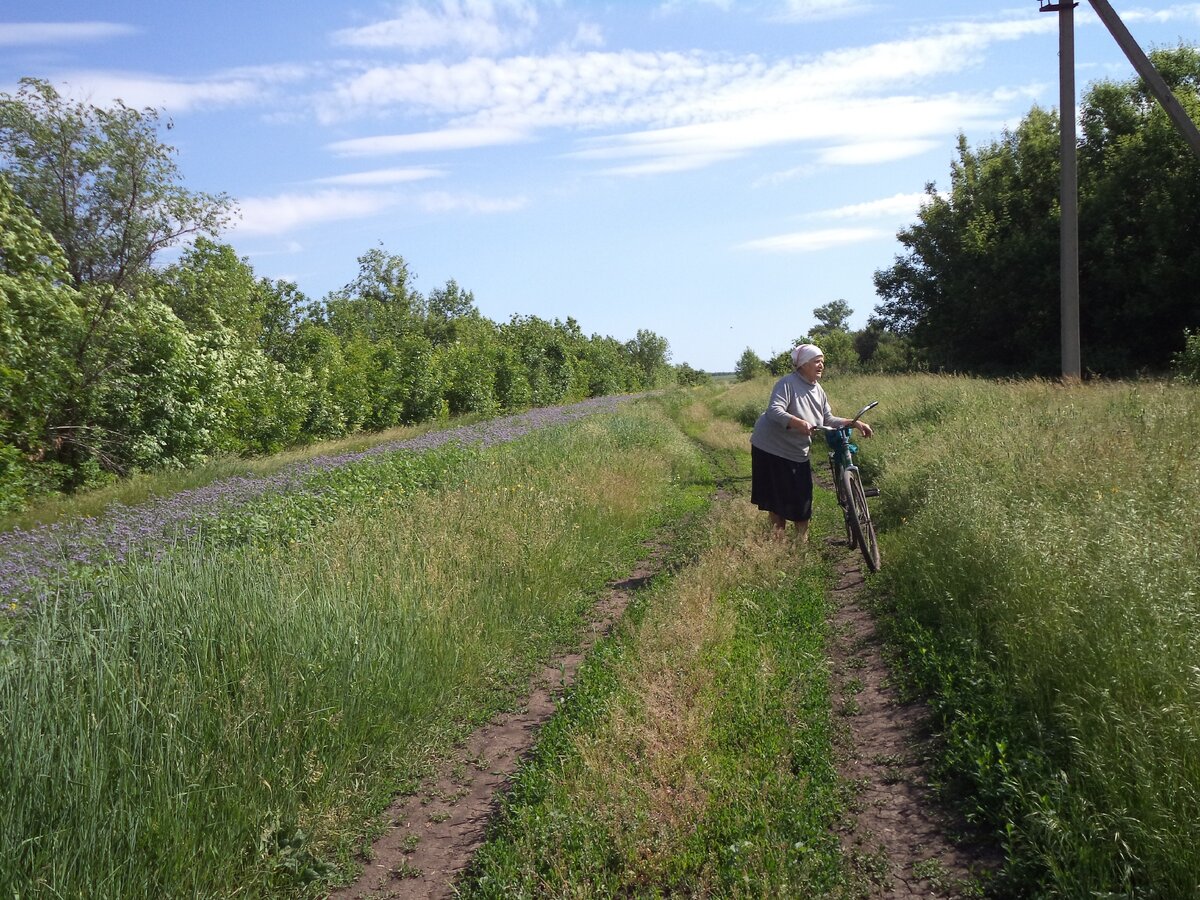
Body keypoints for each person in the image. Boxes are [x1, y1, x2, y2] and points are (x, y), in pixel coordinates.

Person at [749, 343, 872, 543]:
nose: (821, 365)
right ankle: (778, 542)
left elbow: (827, 419)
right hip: (769, 447)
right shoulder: (787, 383)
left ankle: (801, 544)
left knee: (802, 497)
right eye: (817, 361)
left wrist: (855, 423)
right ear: (803, 365)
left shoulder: (818, 390)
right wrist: (798, 423)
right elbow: (774, 410)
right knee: (775, 499)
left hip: (796, 451)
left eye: (822, 361)